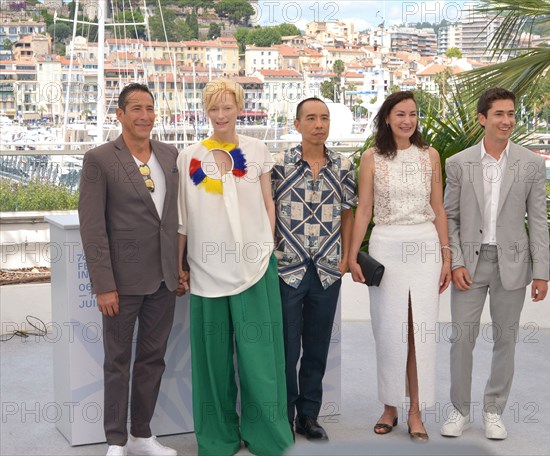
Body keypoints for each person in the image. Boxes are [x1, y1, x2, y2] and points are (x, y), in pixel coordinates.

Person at [177, 78, 293, 455]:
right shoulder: (189, 156)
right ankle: (217, 438)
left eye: (228, 106)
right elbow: (183, 217)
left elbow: (267, 203)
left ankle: (268, 436)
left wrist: (269, 247)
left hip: (255, 267)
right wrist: (181, 264)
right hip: (206, 269)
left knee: (260, 360)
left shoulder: (257, 149)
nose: (222, 114)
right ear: (206, 111)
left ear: (239, 108)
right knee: (212, 365)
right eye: (215, 107)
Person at [441, 87, 550, 440]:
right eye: (499, 114)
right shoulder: (458, 163)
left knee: (506, 340)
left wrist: (541, 272)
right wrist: (455, 262)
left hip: (514, 264)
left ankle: (493, 410)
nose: (507, 121)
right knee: (462, 339)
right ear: (482, 118)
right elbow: (450, 218)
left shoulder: (531, 164)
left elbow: (538, 219)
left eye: (511, 114)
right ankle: (459, 411)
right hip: (469, 266)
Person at [78, 83, 179, 456]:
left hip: (165, 280)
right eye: (135, 108)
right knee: (117, 361)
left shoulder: (171, 155)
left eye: (150, 108)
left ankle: (141, 434)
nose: (144, 116)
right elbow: (92, 227)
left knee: (154, 359)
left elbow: (177, 217)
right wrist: (103, 284)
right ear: (119, 115)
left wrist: (180, 267)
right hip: (120, 283)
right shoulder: (99, 159)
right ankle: (116, 440)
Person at [348, 91, 451, 442]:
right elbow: (364, 210)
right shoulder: (371, 158)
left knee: (419, 332)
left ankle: (416, 411)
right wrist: (351, 256)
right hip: (386, 246)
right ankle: (390, 406)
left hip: (425, 248)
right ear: (387, 118)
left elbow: (438, 208)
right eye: (400, 114)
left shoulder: (430, 156)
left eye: (413, 114)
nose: (407, 120)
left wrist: (447, 257)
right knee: (389, 331)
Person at [272, 97, 357, 440]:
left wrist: (347, 258)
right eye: (311, 118)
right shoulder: (279, 165)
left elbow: (348, 213)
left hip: (327, 268)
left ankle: (309, 415)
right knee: (287, 346)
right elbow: (267, 211)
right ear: (297, 125)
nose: (319, 124)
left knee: (317, 345)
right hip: (288, 268)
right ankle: (284, 415)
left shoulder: (344, 165)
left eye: (324, 118)